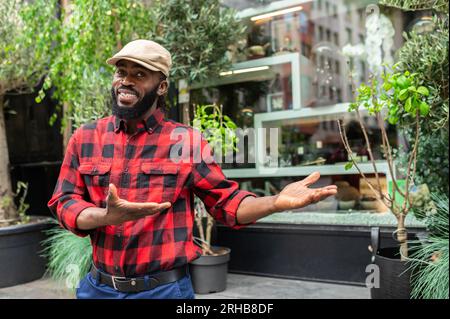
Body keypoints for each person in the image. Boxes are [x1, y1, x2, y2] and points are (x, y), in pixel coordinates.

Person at [48, 39, 337, 299]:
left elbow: (227, 203)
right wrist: (105, 216)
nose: (126, 81)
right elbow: (64, 201)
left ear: (161, 86)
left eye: (139, 74)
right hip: (99, 290)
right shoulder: (86, 137)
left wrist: (275, 202)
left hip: (163, 291)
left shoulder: (185, 141)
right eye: (121, 72)